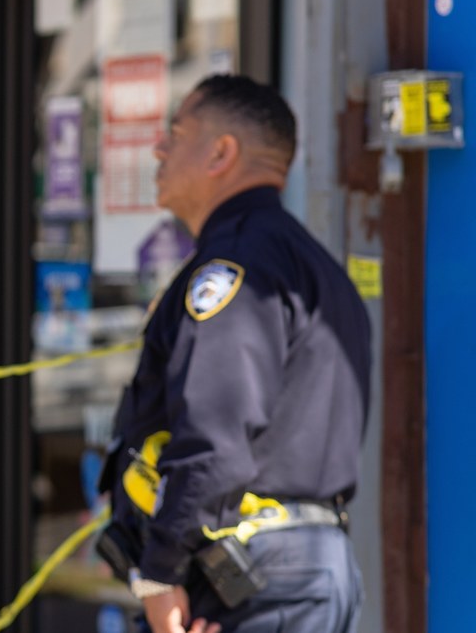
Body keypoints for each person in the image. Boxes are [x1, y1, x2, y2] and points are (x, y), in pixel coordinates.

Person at [97, 75, 371, 633]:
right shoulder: (309, 264)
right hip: (302, 569)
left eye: (175, 133)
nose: (158, 149)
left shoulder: (237, 267)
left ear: (222, 152)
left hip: (252, 581)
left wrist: (160, 574)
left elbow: (216, 437)